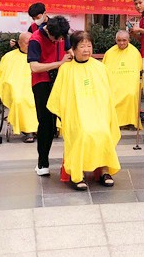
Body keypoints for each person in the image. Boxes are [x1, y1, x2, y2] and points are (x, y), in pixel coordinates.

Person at [47, 31, 121, 190]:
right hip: (75, 115)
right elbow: (59, 96)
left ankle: (104, 170)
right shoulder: (66, 69)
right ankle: (77, 173)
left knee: (103, 132)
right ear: (73, 48)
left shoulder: (100, 67)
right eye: (82, 46)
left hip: (98, 112)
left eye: (89, 46)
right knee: (82, 133)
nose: (86, 49)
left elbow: (108, 93)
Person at [27, 15, 72, 176]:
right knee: (46, 124)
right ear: (49, 31)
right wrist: (59, 63)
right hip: (42, 84)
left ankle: (74, 161)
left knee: (71, 120)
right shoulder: (35, 39)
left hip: (62, 81)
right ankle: (43, 163)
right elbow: (34, 67)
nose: (58, 41)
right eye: (56, 39)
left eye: (61, 38)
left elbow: (70, 51)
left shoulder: (62, 34)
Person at [0, 31, 39, 141]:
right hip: (15, 87)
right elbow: (2, 77)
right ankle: (28, 130)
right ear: (19, 43)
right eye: (27, 43)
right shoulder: (9, 57)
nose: (30, 46)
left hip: (34, 85)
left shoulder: (39, 55)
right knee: (19, 100)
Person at [102, 30, 143, 129]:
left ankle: (130, 121)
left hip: (130, 82)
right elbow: (104, 70)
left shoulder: (135, 52)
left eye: (124, 40)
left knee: (131, 94)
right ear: (115, 40)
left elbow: (139, 70)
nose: (121, 43)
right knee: (112, 94)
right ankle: (115, 122)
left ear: (129, 40)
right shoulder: (110, 53)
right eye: (119, 40)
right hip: (114, 82)